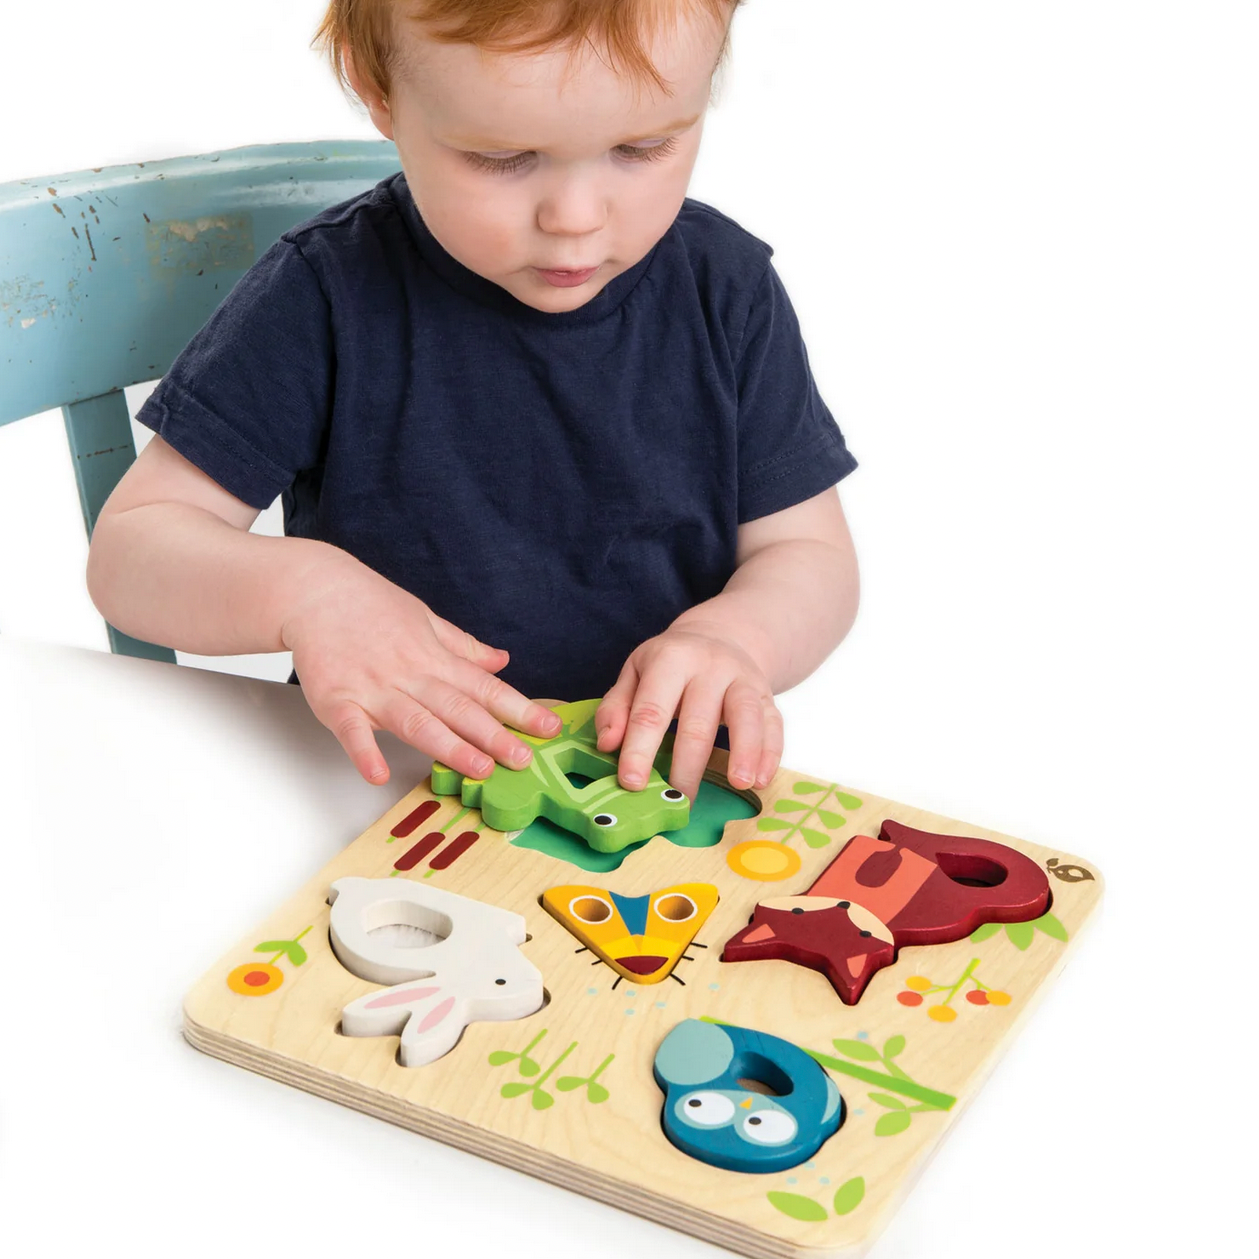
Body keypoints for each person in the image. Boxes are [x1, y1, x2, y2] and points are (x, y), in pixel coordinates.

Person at [86, 0, 860, 805]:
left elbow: (808, 555)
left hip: (655, 793)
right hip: (381, 795)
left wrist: (736, 637)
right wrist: (305, 592)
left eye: (642, 147)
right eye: (502, 157)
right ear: (378, 88)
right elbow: (132, 554)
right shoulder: (324, 294)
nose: (575, 218)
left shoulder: (724, 290)